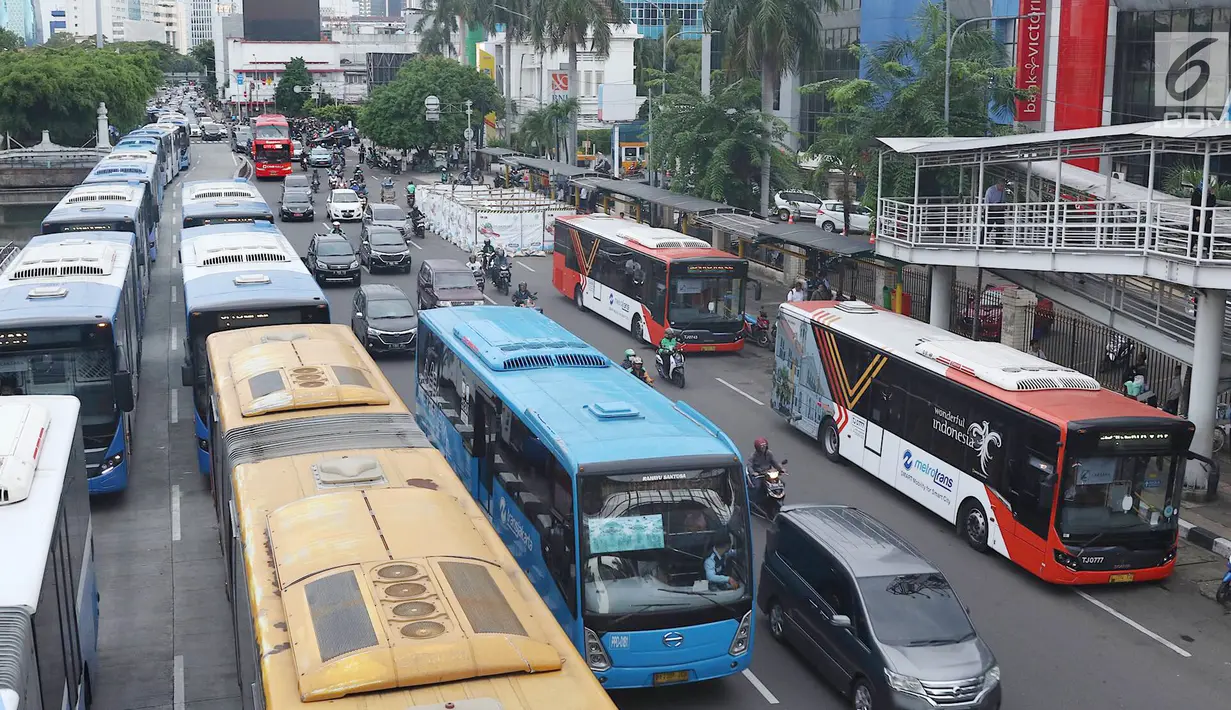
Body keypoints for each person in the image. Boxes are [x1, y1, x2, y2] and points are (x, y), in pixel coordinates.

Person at [984, 180, 1006, 244]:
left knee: (1000, 227)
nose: (1002, 188)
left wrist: (1002, 206)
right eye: (1001, 186)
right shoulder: (990, 190)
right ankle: (981, 242)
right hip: (990, 210)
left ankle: (999, 244)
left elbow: (1003, 201)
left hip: (999, 210)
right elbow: (986, 203)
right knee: (988, 227)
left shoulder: (1003, 191)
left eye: (1003, 186)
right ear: (998, 184)